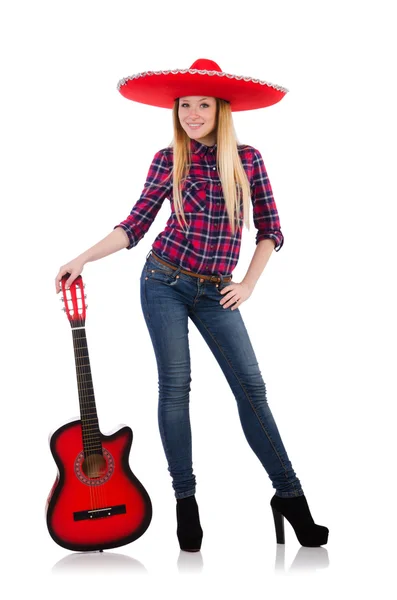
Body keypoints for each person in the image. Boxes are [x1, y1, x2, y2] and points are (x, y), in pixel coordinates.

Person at [55, 58, 329, 552]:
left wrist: (247, 283)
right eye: (185, 104)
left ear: (221, 110)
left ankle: (290, 496)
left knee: (252, 389)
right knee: (175, 387)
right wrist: (83, 258)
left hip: (218, 289)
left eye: (203, 104)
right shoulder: (168, 160)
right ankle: (186, 502)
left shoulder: (249, 160)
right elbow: (134, 225)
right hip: (164, 280)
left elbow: (271, 231)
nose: (193, 113)